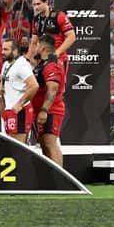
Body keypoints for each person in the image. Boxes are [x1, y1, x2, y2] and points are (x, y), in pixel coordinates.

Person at [32, 35, 66, 166]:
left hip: (51, 110)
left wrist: (44, 110)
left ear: (42, 47)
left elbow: (52, 89)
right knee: (44, 144)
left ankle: (61, 181)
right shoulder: (43, 63)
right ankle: (52, 179)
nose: (34, 48)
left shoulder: (52, 64)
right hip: (43, 110)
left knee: (49, 143)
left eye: (36, 45)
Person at [0, 39, 39, 142]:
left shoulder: (22, 64)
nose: (2, 52)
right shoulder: (6, 64)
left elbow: (34, 85)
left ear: (15, 51)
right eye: (2, 49)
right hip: (10, 110)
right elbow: (3, 88)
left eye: (6, 49)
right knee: (11, 147)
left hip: (21, 111)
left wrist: (20, 104)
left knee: (19, 148)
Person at [28, 0, 75, 74]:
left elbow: (71, 37)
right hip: (41, 61)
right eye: (34, 5)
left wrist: (56, 53)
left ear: (46, 2)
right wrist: (28, 58)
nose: (36, 7)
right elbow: (34, 42)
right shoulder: (35, 19)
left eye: (38, 4)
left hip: (58, 59)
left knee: (56, 86)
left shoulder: (58, 15)